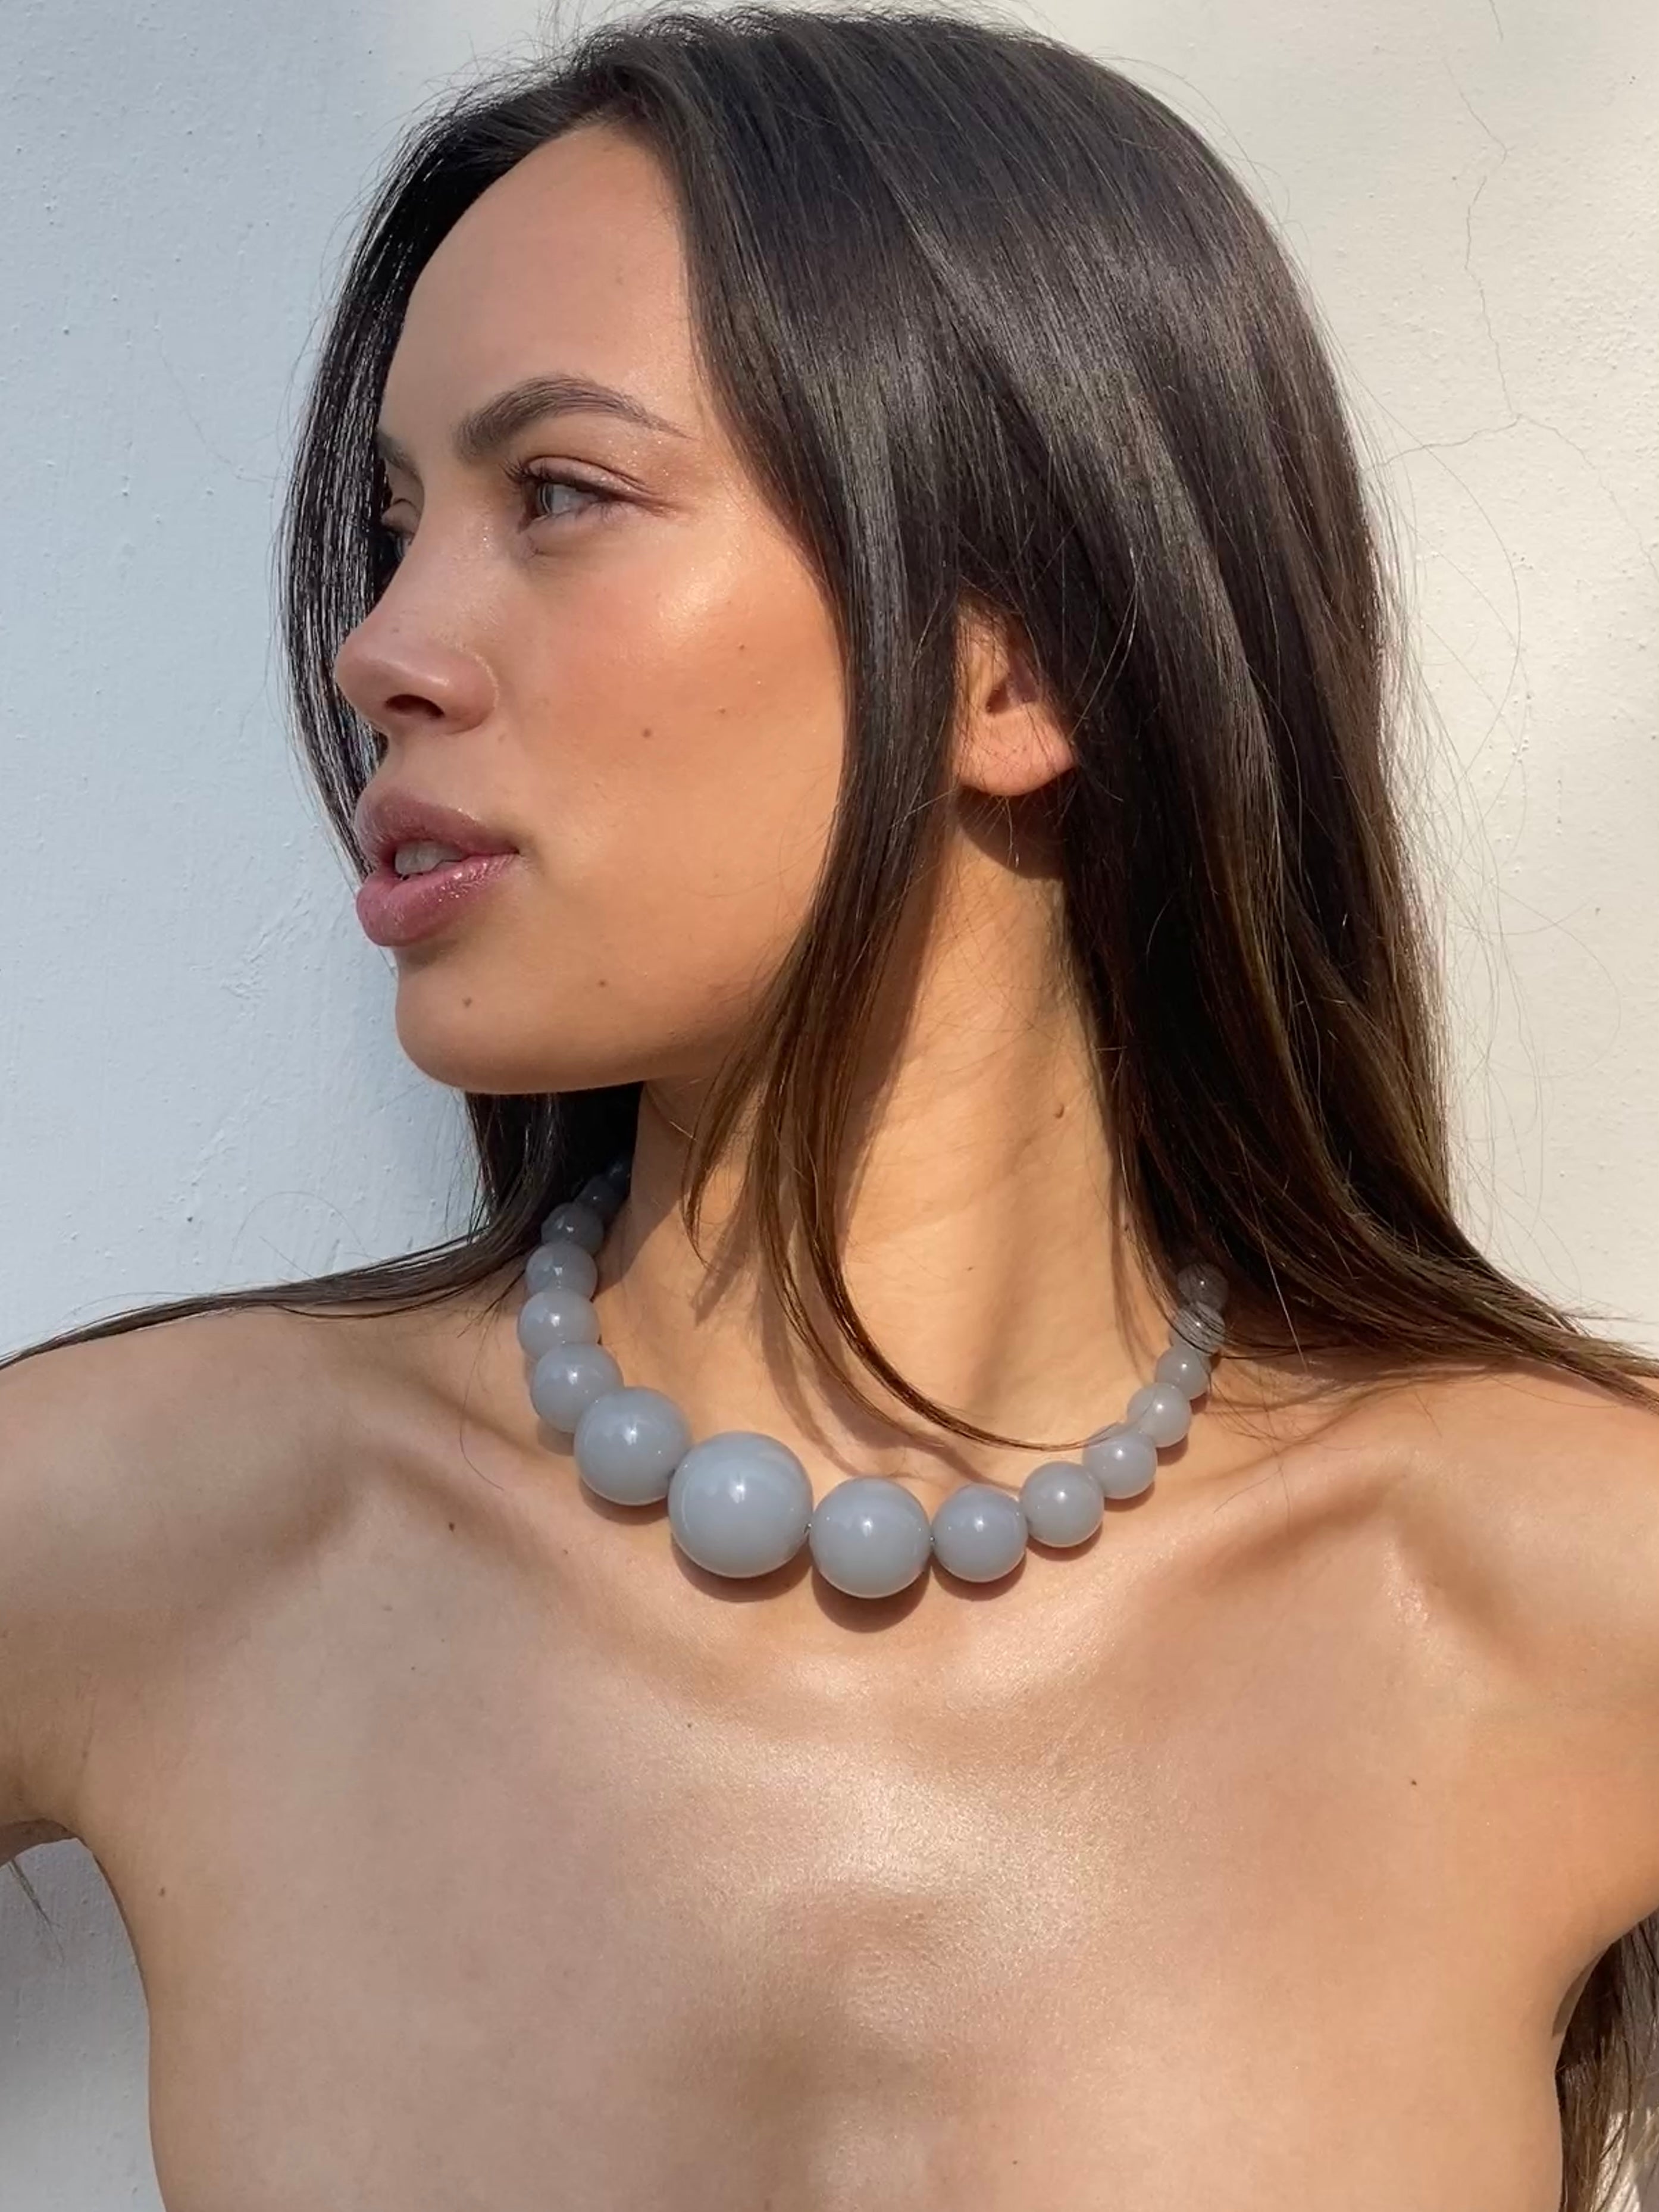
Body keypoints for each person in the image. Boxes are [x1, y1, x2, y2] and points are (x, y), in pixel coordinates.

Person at [3, 5, 1657, 2205]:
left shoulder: (1566, 1585)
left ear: (1018, 658)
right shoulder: (150, 1528)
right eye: (395, 527)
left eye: (560, 493)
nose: (378, 645)